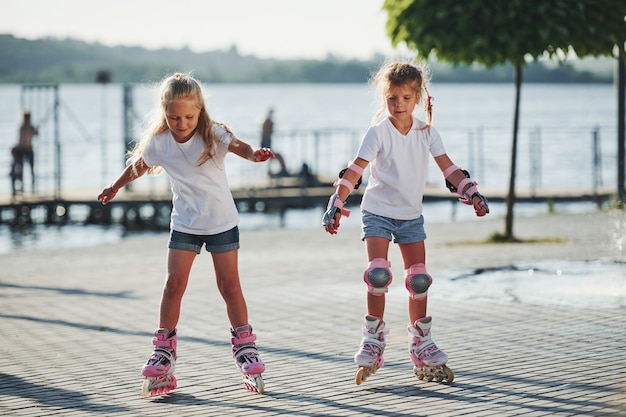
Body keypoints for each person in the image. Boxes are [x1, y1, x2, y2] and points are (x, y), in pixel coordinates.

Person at [97, 72, 275, 396]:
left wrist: (255, 155)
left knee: (229, 285)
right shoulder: (160, 142)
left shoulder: (212, 133)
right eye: (174, 117)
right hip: (185, 223)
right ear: (164, 113)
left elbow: (241, 147)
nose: (182, 123)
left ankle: (245, 346)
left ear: (200, 111)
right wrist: (115, 186)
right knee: (173, 284)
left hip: (221, 221)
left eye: (189, 116)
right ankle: (164, 348)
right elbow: (138, 165)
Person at [322, 61, 489, 384]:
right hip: (378, 212)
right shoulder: (378, 132)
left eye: (405, 98)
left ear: (418, 98)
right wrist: (337, 201)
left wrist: (472, 191)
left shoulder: (426, 133)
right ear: (385, 98)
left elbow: (449, 169)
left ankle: (421, 344)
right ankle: (372, 339)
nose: (398, 104)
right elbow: (355, 170)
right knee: (378, 274)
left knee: (419, 280)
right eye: (392, 98)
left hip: (411, 215)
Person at [11, 111, 38, 194]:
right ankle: (22, 187)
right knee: (21, 169)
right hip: (23, 150)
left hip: (29, 149)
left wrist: (34, 131)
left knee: (32, 169)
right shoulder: (22, 127)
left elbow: (36, 134)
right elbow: (21, 140)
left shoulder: (31, 127)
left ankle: (33, 187)